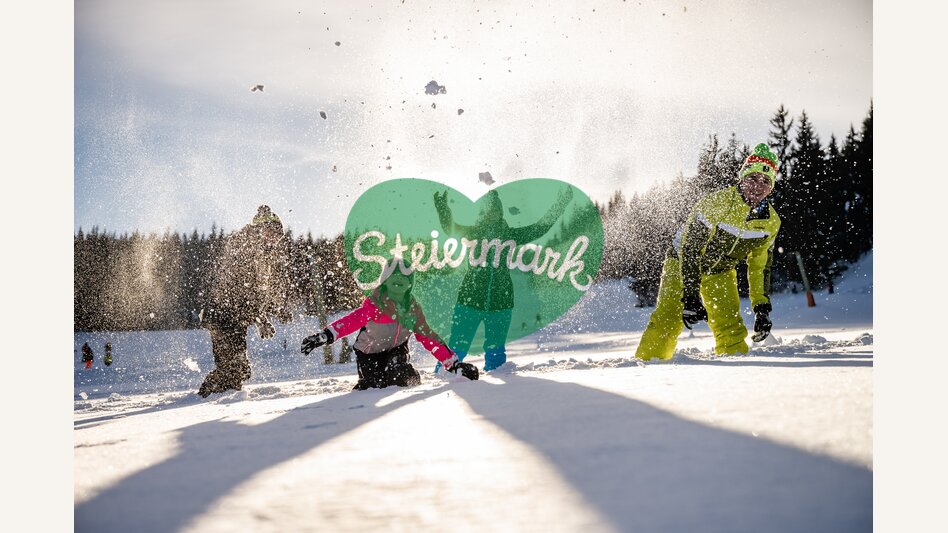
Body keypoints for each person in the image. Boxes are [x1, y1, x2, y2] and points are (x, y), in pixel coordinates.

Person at [635, 143, 782, 361]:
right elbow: (691, 249)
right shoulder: (716, 203)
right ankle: (646, 367)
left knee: (729, 324)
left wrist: (761, 309)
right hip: (682, 262)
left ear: (771, 187)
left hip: (720, 271)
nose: (757, 186)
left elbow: (759, 267)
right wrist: (691, 295)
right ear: (741, 178)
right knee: (668, 318)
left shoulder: (770, 222)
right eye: (752, 178)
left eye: (765, 181)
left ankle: (737, 372)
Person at [432, 187, 572, 372]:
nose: (492, 213)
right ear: (481, 213)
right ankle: (442, 375)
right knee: (458, 344)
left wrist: (560, 204)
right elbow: (450, 227)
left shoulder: (510, 235)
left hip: (501, 302)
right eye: (488, 210)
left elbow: (540, 227)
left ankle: (497, 384)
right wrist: (443, 209)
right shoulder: (472, 233)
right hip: (469, 300)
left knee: (496, 350)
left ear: (500, 211)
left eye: (496, 209)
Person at [301, 260, 479, 390]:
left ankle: (411, 376)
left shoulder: (412, 310)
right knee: (374, 386)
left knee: (400, 376)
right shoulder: (374, 305)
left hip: (397, 350)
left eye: (404, 278)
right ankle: (367, 381)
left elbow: (428, 337)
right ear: (385, 280)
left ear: (409, 285)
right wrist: (324, 336)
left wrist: (454, 365)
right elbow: (349, 322)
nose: (399, 280)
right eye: (394, 277)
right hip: (369, 353)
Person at [198, 205, 293, 397]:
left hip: (235, 319)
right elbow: (242, 291)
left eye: (279, 235)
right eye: (271, 232)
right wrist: (260, 317)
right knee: (231, 371)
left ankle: (223, 398)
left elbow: (259, 292)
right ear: (260, 230)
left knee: (240, 370)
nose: (275, 238)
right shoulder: (246, 246)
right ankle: (201, 400)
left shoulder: (263, 254)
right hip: (222, 316)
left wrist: (274, 310)